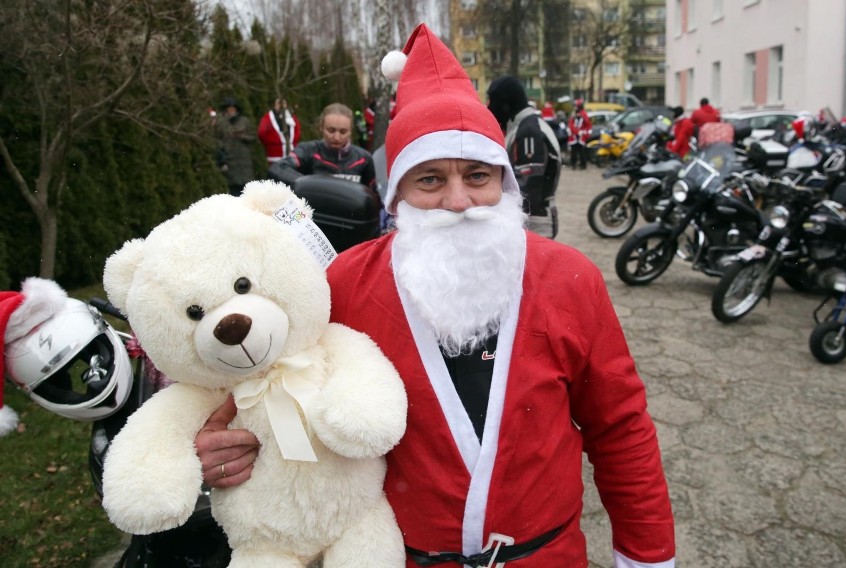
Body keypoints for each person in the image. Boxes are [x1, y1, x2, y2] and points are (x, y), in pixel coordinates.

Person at [195, 23, 675, 568]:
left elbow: (621, 426)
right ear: (396, 194)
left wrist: (647, 555)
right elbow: (268, 387)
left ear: (505, 183)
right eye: (429, 179)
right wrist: (222, 443)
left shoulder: (570, 279)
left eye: (477, 175)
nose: (458, 200)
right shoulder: (344, 286)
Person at [487, 75, 562, 239]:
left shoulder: (529, 131)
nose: (489, 107)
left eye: (492, 101)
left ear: (506, 103)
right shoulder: (524, 125)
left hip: (535, 222)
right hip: (529, 218)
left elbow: (527, 189)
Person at [267, 103, 378, 204]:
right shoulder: (308, 151)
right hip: (314, 217)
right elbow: (278, 168)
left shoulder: (363, 158)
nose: (336, 137)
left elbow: (374, 195)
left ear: (351, 131)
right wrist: (306, 183)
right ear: (321, 127)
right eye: (331, 130)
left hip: (349, 219)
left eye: (343, 132)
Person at [214, 97, 256, 197]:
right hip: (229, 159)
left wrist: (242, 136)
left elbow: (253, 136)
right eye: (229, 109)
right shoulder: (221, 123)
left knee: (246, 189)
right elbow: (217, 139)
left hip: (244, 160)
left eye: (233, 109)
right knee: (233, 189)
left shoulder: (244, 121)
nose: (231, 111)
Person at [257, 98, 297, 164]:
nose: (281, 106)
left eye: (283, 104)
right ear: (275, 105)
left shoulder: (292, 118)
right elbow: (262, 133)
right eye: (279, 104)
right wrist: (271, 143)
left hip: (291, 152)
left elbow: (297, 132)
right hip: (274, 154)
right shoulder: (268, 118)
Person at [567, 99, 592, 169]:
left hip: (581, 137)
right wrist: (577, 132)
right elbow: (571, 125)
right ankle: (574, 165)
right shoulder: (573, 116)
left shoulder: (584, 114)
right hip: (574, 137)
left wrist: (584, 133)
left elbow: (588, 125)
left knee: (581, 152)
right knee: (573, 152)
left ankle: (583, 165)